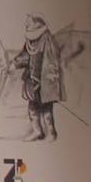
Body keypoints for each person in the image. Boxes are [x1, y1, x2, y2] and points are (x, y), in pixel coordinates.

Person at [12, 13, 62, 141]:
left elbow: (51, 62)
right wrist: (14, 63)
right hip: (31, 80)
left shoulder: (47, 39)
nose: (26, 24)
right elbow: (26, 56)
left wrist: (44, 80)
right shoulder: (30, 40)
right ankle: (37, 132)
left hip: (44, 81)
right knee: (33, 107)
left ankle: (51, 133)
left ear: (37, 23)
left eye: (29, 21)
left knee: (46, 109)